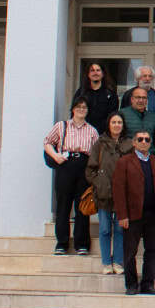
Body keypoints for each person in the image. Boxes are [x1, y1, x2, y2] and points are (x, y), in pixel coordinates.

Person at [113, 129, 155, 295]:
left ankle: (148, 284)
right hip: (132, 215)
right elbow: (118, 190)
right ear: (134, 142)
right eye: (140, 139)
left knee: (153, 250)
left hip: (153, 214)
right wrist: (122, 215)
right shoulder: (124, 162)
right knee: (130, 251)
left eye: (147, 139)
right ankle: (131, 285)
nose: (144, 142)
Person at [43, 96, 98, 256]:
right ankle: (62, 243)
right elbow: (47, 142)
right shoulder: (62, 126)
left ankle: (82, 244)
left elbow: (96, 152)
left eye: (84, 107)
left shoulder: (92, 130)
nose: (81, 110)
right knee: (63, 206)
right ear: (73, 109)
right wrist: (55, 156)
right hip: (66, 166)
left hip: (84, 167)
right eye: (79, 106)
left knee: (82, 206)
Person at [85, 111, 132, 274]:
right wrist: (99, 183)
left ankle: (118, 262)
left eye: (119, 122)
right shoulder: (100, 143)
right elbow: (90, 169)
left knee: (119, 229)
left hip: (122, 194)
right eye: (114, 122)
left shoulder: (129, 144)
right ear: (108, 124)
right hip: (103, 194)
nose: (117, 125)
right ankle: (106, 262)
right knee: (105, 229)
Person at [120, 66, 155, 151]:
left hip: (150, 142)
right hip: (130, 146)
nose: (147, 79)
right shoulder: (128, 94)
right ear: (138, 78)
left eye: (150, 76)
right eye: (144, 76)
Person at [73, 62, 119, 134]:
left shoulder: (110, 94)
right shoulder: (81, 93)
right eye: (92, 70)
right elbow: (74, 113)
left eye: (98, 70)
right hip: (83, 133)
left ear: (103, 74)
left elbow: (113, 116)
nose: (95, 73)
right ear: (88, 74)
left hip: (103, 135)